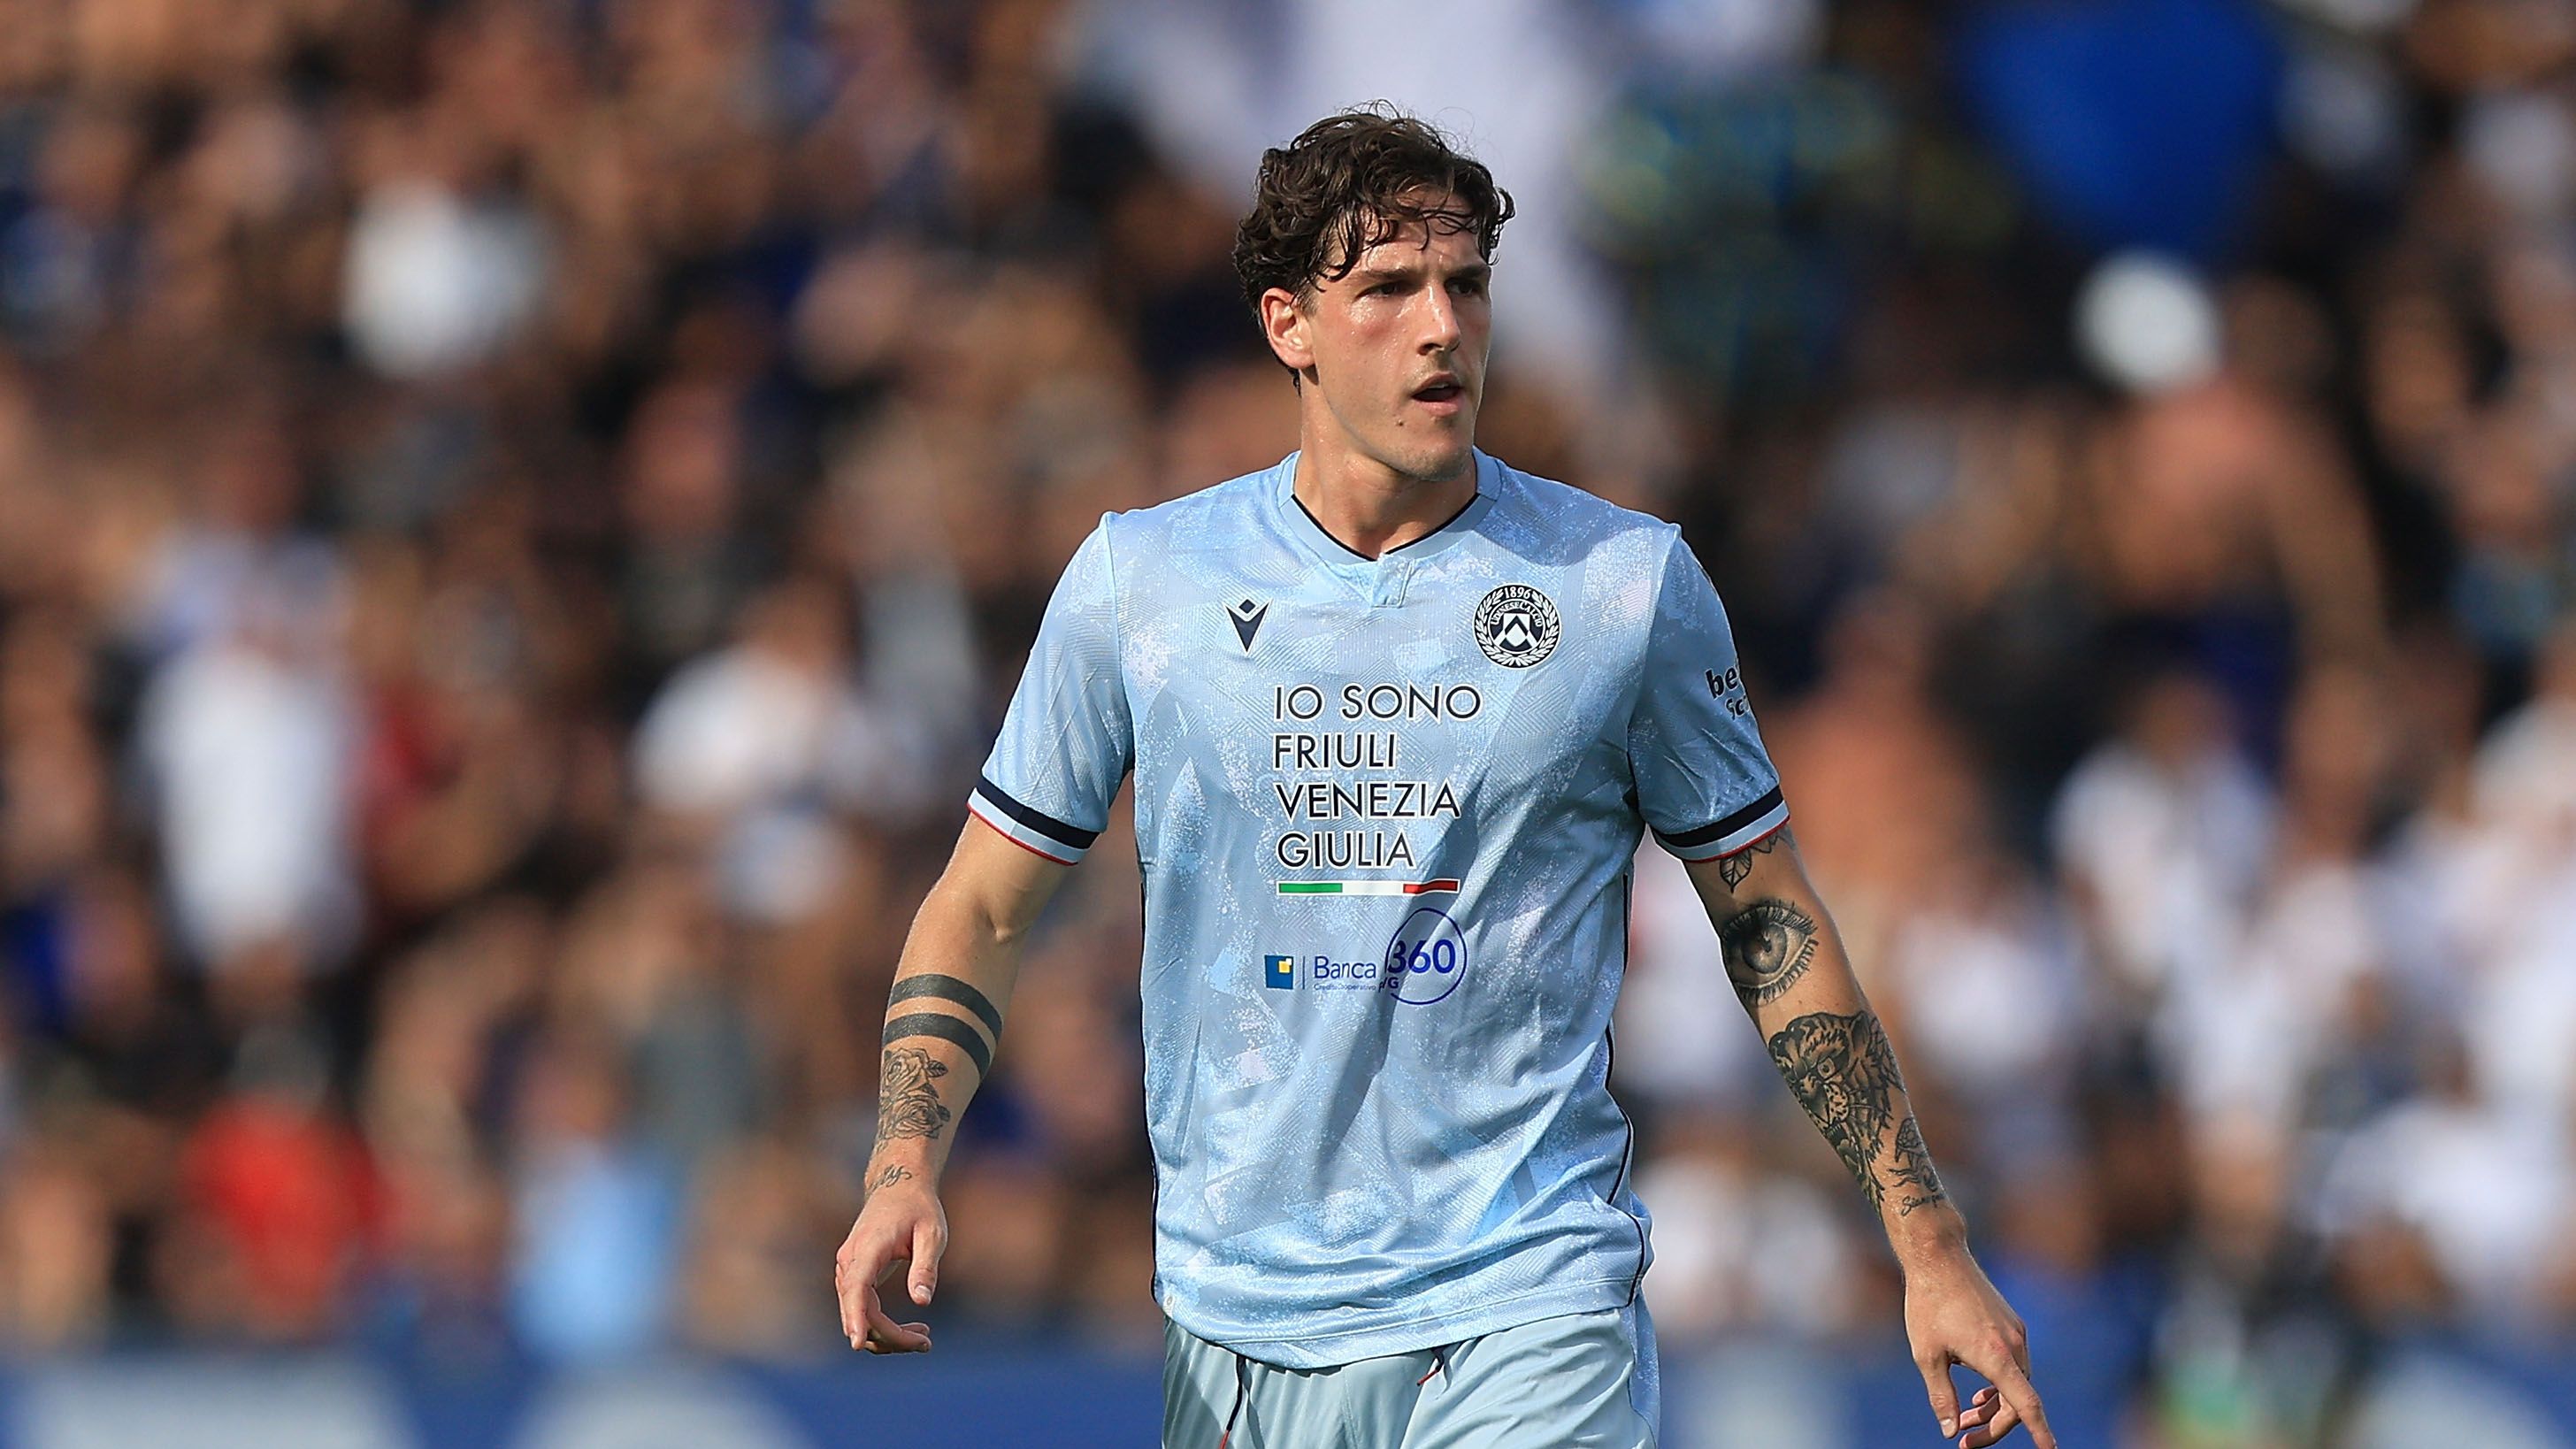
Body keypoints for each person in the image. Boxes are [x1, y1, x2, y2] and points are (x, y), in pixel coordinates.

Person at [833, 109, 2053, 1449]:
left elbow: (1768, 919)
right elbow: (985, 904)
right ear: (1290, 325)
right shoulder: (1145, 583)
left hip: (1531, 1297)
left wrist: (1927, 1241)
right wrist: (903, 1164)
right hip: (1243, 1319)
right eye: (1389, 289)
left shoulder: (1623, 585)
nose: (1442, 327)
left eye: (1465, 285)